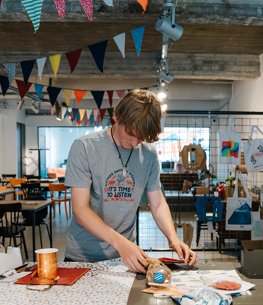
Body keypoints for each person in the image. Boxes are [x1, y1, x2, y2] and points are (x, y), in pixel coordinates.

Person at [64, 89, 198, 273]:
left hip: (126, 260)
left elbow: (157, 203)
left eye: (141, 138)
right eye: (130, 134)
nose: (135, 143)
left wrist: (173, 238)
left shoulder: (149, 153)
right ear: (117, 116)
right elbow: (80, 209)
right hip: (83, 257)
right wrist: (120, 242)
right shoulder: (85, 147)